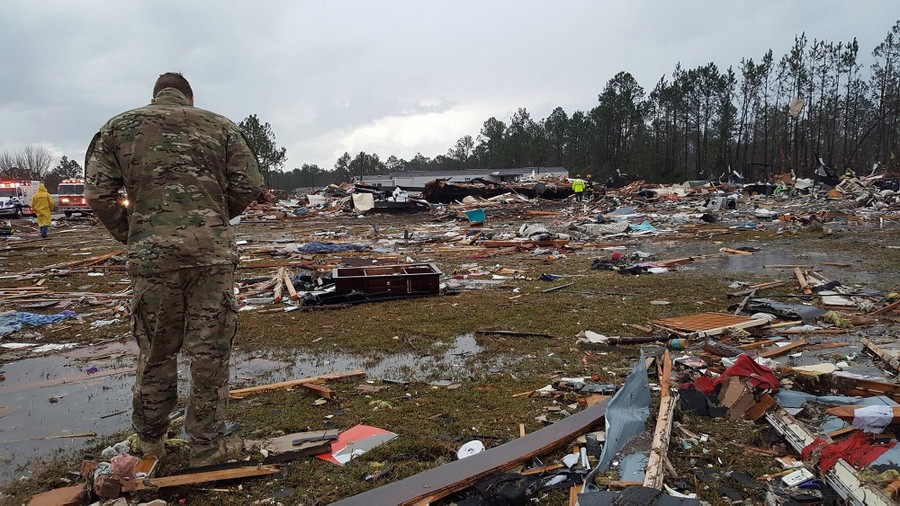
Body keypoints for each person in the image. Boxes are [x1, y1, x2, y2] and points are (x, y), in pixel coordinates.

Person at [84, 72, 265, 467]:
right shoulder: (220, 126)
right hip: (211, 257)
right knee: (210, 353)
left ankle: (150, 443)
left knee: (156, 353)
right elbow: (250, 182)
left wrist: (132, 232)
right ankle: (206, 447)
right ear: (190, 97)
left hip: (154, 259)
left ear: (155, 96)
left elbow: (97, 193)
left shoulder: (119, 127)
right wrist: (214, 218)